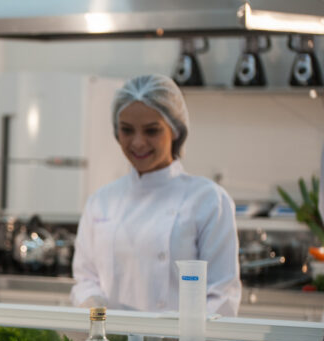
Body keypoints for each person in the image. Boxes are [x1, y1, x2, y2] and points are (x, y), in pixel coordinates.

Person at [70, 74, 241, 316]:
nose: (138, 143)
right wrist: (91, 302)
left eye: (152, 131)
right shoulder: (101, 201)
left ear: (175, 130)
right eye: (127, 130)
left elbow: (221, 294)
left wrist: (179, 339)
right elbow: (85, 277)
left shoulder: (208, 199)